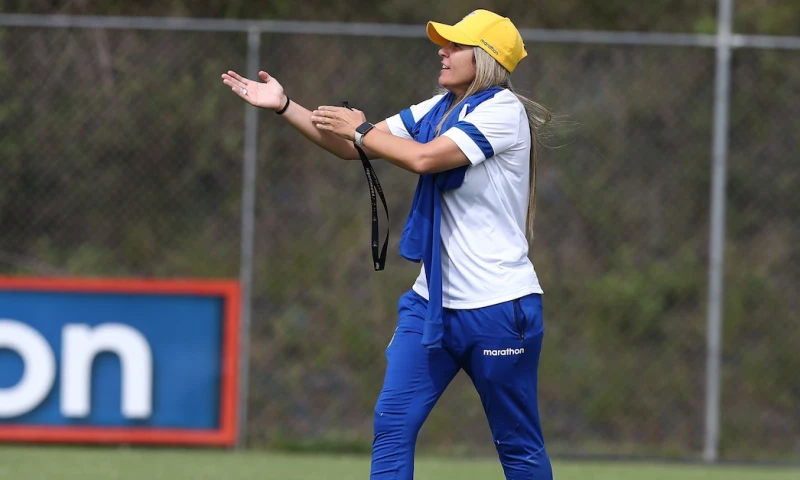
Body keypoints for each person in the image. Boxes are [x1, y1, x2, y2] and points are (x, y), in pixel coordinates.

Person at [222, 8, 554, 480]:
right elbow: (350, 145)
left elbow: (422, 159)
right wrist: (284, 105)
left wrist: (362, 130)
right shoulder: (436, 107)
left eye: (456, 45)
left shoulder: (503, 110)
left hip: (499, 308)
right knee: (392, 423)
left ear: (485, 59)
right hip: (431, 304)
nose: (442, 50)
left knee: (517, 446)